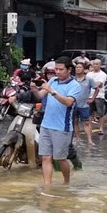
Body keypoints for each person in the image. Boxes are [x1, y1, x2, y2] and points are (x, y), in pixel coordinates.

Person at [31, 57, 81, 186]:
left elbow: (69, 102)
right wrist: (35, 90)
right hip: (46, 125)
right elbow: (40, 95)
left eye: (61, 69)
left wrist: (52, 91)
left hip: (61, 127)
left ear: (69, 69)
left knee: (60, 158)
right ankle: (47, 185)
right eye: (56, 69)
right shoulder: (52, 80)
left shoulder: (74, 85)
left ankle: (66, 183)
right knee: (46, 157)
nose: (58, 72)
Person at [72, 61, 99, 146]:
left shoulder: (89, 79)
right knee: (75, 122)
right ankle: (78, 138)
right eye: (76, 67)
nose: (78, 69)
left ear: (84, 69)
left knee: (86, 123)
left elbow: (96, 89)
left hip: (84, 105)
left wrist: (92, 99)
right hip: (73, 104)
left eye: (80, 67)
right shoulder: (72, 79)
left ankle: (89, 141)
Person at [89, 59, 107, 136]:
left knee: (100, 113)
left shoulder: (103, 74)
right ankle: (89, 127)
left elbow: (99, 84)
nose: (95, 65)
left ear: (100, 65)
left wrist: (91, 84)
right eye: (94, 64)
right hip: (89, 96)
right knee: (90, 113)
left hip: (99, 96)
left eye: (97, 64)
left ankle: (101, 128)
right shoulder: (89, 74)